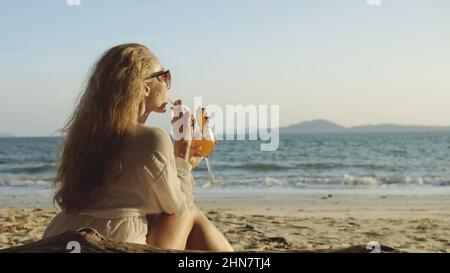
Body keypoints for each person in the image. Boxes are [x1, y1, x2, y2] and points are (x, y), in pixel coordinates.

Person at [42, 43, 234, 252]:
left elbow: (127, 197)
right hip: (111, 244)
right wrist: (182, 157)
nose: (169, 85)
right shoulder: (153, 139)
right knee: (189, 213)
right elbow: (176, 205)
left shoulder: (83, 138)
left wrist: (181, 163)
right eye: (164, 76)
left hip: (62, 237)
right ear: (144, 87)